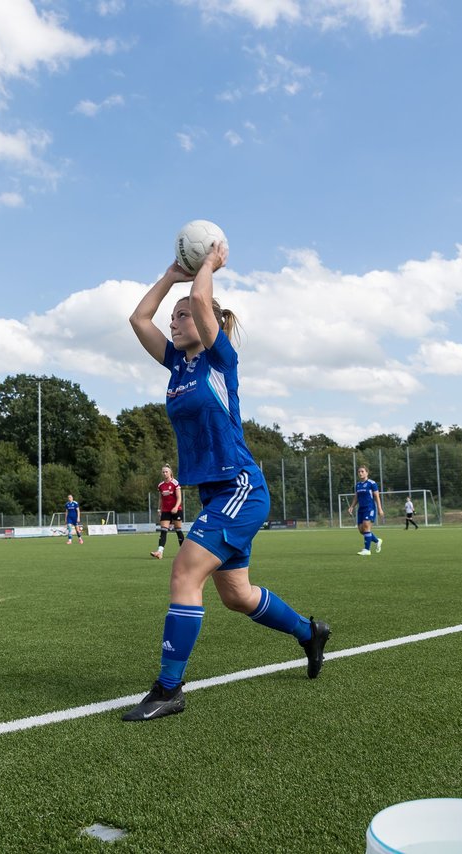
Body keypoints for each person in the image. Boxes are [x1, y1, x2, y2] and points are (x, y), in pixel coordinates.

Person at [124, 239, 330, 721]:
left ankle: (168, 689)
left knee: (183, 573)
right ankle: (309, 632)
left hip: (241, 486)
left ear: (207, 323)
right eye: (173, 318)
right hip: (217, 493)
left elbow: (201, 300)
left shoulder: (221, 360)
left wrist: (209, 265)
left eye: (182, 317)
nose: (173, 322)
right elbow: (138, 320)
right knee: (237, 596)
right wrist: (172, 274)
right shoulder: (177, 365)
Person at [151, 464, 186, 558]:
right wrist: (159, 509)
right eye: (163, 472)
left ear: (170, 473)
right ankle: (159, 552)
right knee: (163, 530)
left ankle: (184, 553)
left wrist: (175, 507)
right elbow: (160, 498)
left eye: (166, 472)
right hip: (165, 510)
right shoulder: (161, 485)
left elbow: (179, 498)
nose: (164, 473)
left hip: (176, 510)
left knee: (178, 530)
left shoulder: (175, 483)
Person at [347, 466, 384, 555]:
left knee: (366, 526)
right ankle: (377, 540)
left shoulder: (372, 483)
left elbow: (377, 496)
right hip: (361, 509)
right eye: (359, 472)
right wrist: (352, 506)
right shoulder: (358, 485)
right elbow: (356, 497)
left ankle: (367, 550)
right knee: (361, 530)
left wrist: (379, 508)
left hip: (369, 508)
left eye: (362, 471)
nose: (360, 473)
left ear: (367, 473)